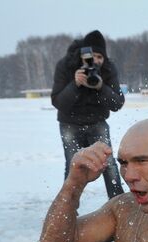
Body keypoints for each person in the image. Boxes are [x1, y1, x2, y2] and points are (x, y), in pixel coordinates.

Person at [51, 30, 125, 199]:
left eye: (100, 57)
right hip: (69, 123)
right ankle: (66, 206)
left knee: (109, 165)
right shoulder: (65, 66)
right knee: (73, 165)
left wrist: (101, 87)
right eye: (92, 57)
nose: (96, 61)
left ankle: (119, 204)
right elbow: (58, 102)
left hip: (97, 122)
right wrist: (74, 84)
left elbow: (117, 103)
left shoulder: (107, 69)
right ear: (82, 55)